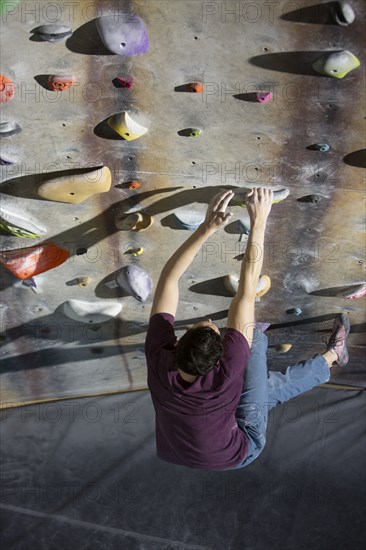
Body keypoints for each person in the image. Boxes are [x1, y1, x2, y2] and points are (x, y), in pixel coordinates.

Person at [145, 188, 350, 470]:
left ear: (176, 346)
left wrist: (206, 229)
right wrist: (259, 219)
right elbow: (246, 288)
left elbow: (171, 279)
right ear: (220, 360)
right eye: (217, 329)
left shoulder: (169, 358)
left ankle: (326, 359)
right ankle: (332, 356)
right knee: (255, 357)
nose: (212, 323)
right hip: (239, 449)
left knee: (266, 387)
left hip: (183, 448)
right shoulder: (214, 368)